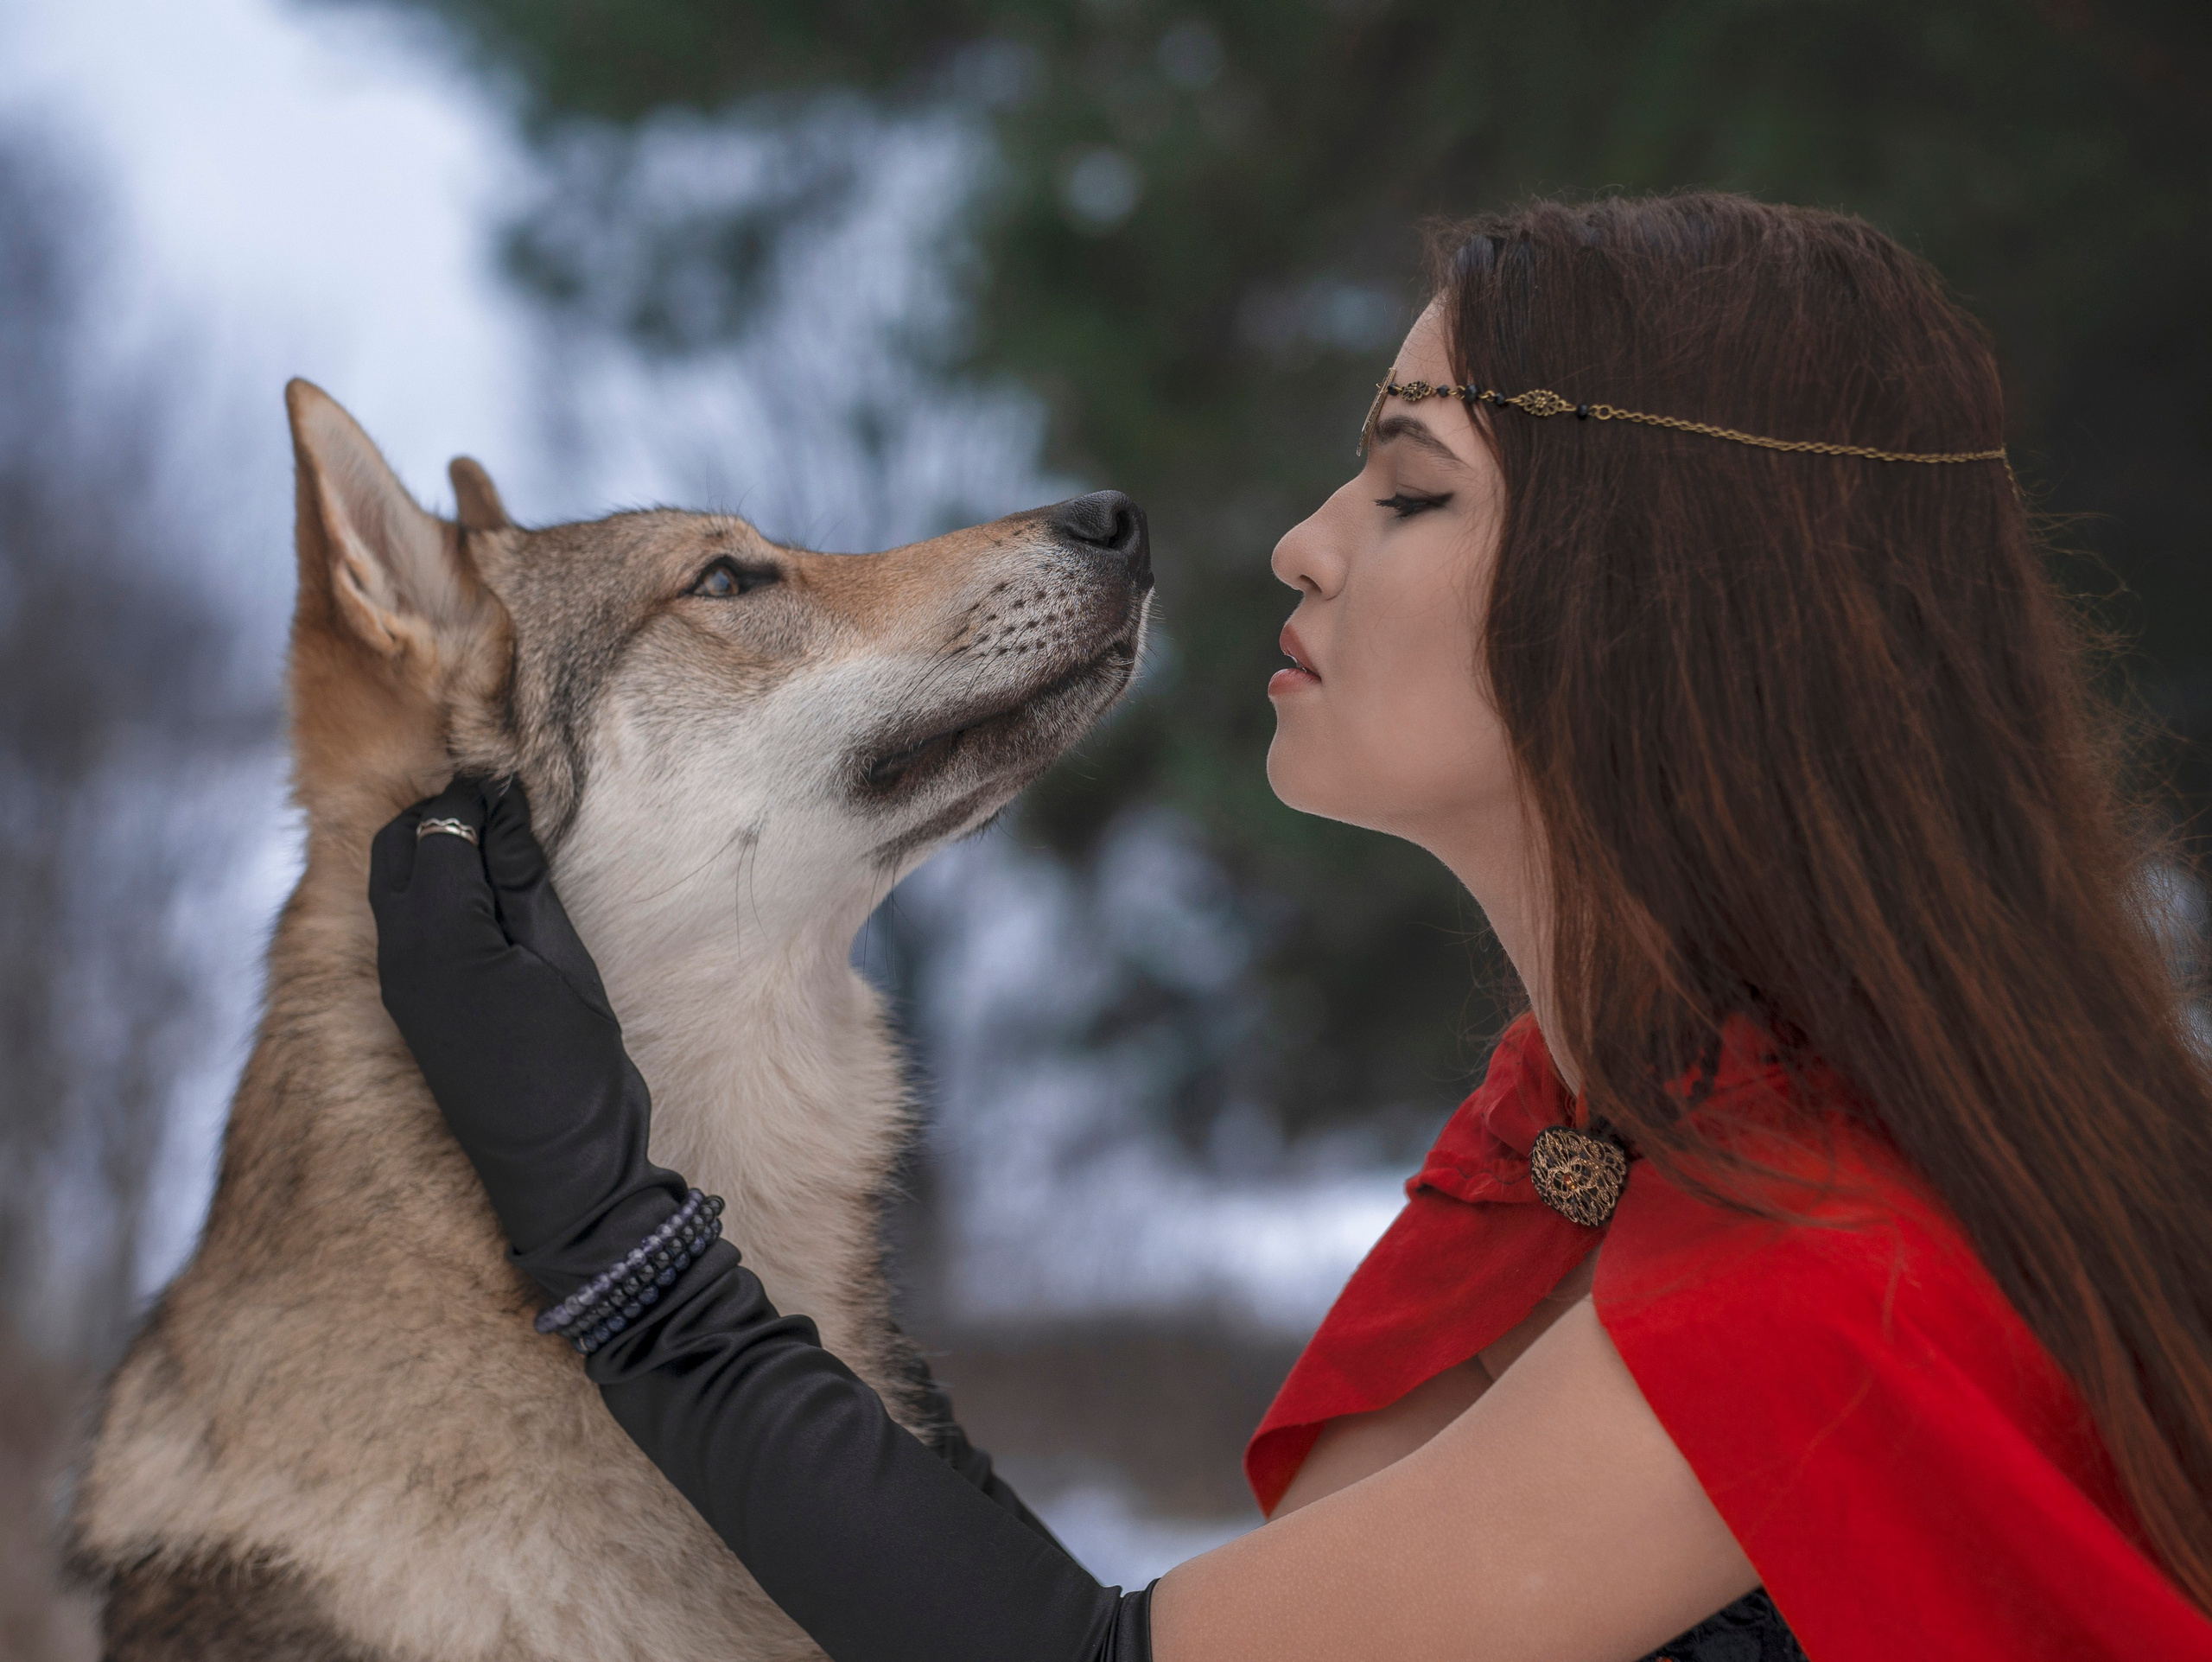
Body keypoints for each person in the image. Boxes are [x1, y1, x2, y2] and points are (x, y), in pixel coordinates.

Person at [369, 194, 2212, 1662]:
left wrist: (617, 1239)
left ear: (1651, 598)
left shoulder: (1822, 1269)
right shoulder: (1592, 1142)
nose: (1303, 542)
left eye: (1411, 491)